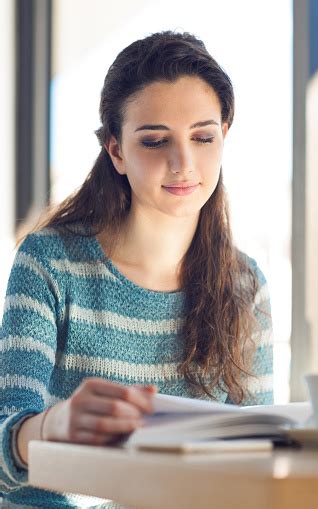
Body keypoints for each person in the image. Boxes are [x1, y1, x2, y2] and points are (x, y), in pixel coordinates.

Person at [0, 30, 273, 508]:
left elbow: (253, 472)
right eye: (154, 141)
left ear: (223, 137)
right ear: (116, 150)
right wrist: (48, 426)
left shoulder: (245, 286)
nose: (183, 163)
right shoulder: (49, 263)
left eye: (203, 137)